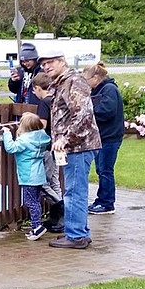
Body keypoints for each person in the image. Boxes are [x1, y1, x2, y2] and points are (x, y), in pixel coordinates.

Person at [37, 44, 101, 249]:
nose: (46, 67)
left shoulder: (73, 81)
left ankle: (76, 236)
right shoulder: (62, 83)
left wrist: (65, 138)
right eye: (44, 64)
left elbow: (83, 113)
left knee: (74, 191)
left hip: (78, 146)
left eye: (50, 62)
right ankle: (79, 232)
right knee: (75, 190)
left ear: (62, 61)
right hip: (73, 147)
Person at [2, 112, 51, 241]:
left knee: (30, 202)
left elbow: (11, 148)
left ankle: (37, 227)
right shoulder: (41, 137)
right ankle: (37, 224)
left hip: (28, 176)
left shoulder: (25, 140)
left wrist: (7, 134)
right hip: (39, 174)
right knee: (36, 200)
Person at [83, 62, 124, 215]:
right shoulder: (98, 90)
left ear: (96, 77)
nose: (85, 83)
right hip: (102, 137)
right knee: (101, 169)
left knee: (105, 170)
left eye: (86, 79)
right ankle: (101, 200)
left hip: (110, 137)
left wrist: (88, 112)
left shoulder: (109, 90)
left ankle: (107, 203)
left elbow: (107, 111)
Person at [30, 73, 65, 232]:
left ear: (38, 88)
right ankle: (58, 218)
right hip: (58, 145)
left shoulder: (44, 102)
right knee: (55, 180)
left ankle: (60, 208)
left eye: (34, 90)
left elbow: (42, 126)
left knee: (44, 183)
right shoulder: (56, 99)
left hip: (47, 147)